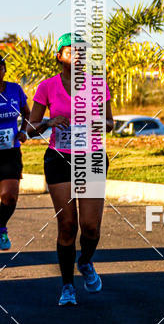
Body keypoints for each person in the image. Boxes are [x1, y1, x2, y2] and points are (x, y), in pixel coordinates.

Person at [28, 33, 114, 306]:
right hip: (59, 158)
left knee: (90, 227)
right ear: (60, 56)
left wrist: (98, 124)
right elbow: (30, 129)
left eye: (82, 52)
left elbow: (111, 123)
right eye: (72, 51)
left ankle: (85, 262)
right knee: (67, 226)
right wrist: (51, 121)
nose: (78, 56)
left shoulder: (98, 85)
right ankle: (67, 286)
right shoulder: (47, 87)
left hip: (92, 158)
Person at [0, 54, 31, 250]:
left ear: (3, 69)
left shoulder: (15, 89)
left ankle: (1, 227)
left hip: (10, 150)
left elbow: (27, 112)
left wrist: (23, 131)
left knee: (9, 196)